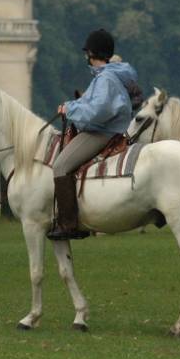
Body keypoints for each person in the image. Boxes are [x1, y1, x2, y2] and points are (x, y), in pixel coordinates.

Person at [47, 29, 139, 241]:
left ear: (91, 53)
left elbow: (97, 111)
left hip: (101, 132)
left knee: (60, 166)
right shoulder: (107, 76)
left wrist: (70, 111)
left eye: (87, 53)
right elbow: (89, 102)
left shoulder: (106, 78)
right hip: (105, 129)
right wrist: (71, 105)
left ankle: (69, 224)